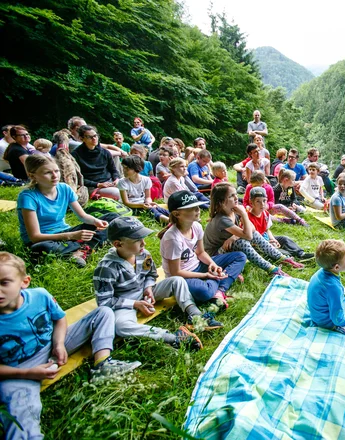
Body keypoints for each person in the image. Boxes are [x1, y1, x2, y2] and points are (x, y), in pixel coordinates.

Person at [0, 252, 141, 440]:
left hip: (52, 342)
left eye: (4, 283)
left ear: (24, 282)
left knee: (104, 313)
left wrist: (59, 343)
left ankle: (103, 364)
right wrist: (27, 374)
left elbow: (59, 319)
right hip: (18, 367)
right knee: (20, 411)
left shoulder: (40, 296)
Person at [93, 217, 213, 351]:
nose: (143, 243)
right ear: (118, 244)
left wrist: (148, 288)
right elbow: (104, 302)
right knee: (120, 326)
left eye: (142, 238)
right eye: (137, 240)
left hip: (143, 292)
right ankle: (171, 337)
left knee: (177, 280)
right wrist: (134, 304)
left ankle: (194, 314)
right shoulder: (106, 268)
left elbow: (151, 274)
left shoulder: (143, 254)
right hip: (124, 303)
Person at [18, 155, 115, 266]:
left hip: (65, 231)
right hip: (44, 240)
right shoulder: (28, 197)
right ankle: (85, 246)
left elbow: (82, 216)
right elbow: (35, 237)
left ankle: (79, 250)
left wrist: (95, 221)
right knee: (41, 248)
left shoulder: (64, 188)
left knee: (112, 218)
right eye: (47, 173)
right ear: (32, 176)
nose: (55, 176)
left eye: (56, 171)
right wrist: (72, 236)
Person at [158, 190, 246, 307]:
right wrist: (206, 275)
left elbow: (200, 252)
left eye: (197, 206)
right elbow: (176, 272)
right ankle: (221, 282)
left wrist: (213, 264)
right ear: (177, 214)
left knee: (240, 256)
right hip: (184, 276)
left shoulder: (196, 226)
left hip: (198, 265)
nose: (197, 210)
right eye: (191, 208)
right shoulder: (172, 238)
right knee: (204, 292)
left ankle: (219, 290)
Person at [203, 184, 301, 277]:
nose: (236, 198)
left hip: (226, 249)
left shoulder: (234, 211)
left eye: (236, 194)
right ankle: (272, 269)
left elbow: (252, 229)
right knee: (242, 242)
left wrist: (234, 236)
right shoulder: (222, 219)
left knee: (253, 234)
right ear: (221, 202)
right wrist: (244, 214)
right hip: (214, 257)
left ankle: (282, 258)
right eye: (231, 196)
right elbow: (248, 236)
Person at [247, 187, 314, 261]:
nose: (262, 204)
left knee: (284, 239)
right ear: (251, 203)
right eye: (258, 201)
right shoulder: (248, 218)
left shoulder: (265, 213)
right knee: (275, 251)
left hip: (266, 238)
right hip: (257, 244)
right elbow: (249, 239)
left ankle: (300, 253)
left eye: (264, 200)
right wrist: (268, 243)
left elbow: (267, 230)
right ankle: (288, 256)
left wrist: (273, 239)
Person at [71, 125, 120, 200]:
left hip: (109, 182)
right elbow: (77, 178)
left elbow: (113, 170)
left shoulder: (105, 152)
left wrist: (116, 179)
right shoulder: (76, 155)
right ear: (82, 139)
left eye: (95, 136)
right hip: (92, 186)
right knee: (117, 193)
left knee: (131, 187)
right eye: (90, 137)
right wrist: (98, 184)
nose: (94, 139)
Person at [118, 156, 169, 224]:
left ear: (136, 169)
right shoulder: (122, 182)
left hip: (143, 204)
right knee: (150, 210)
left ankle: (173, 216)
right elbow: (126, 203)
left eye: (127, 169)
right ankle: (166, 220)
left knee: (156, 208)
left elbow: (148, 197)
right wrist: (142, 205)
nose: (124, 170)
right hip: (130, 207)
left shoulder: (146, 180)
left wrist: (148, 203)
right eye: (123, 168)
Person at [52, 130, 89, 206]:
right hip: (72, 198)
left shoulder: (55, 156)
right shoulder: (65, 157)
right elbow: (79, 174)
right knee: (84, 189)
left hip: (62, 195)